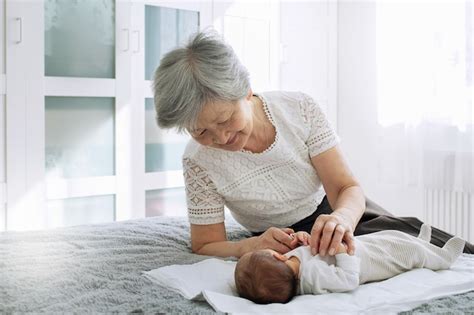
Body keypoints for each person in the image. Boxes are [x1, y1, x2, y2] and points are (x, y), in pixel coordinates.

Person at [152, 29, 474, 259]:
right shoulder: (198, 160)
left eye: (224, 121)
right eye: (200, 132)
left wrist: (342, 220)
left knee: (435, 246)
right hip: (277, 242)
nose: (219, 138)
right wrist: (248, 247)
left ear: (246, 91)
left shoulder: (298, 109)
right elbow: (206, 245)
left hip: (338, 215)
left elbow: (347, 187)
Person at [234, 225, 465, 304]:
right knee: (408, 254)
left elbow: (310, 250)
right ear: (277, 257)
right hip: (372, 262)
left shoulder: (294, 261)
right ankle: (442, 258)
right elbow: (348, 279)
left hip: (363, 246)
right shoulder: (312, 278)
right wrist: (343, 253)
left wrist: (304, 238)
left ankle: (420, 241)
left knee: (394, 235)